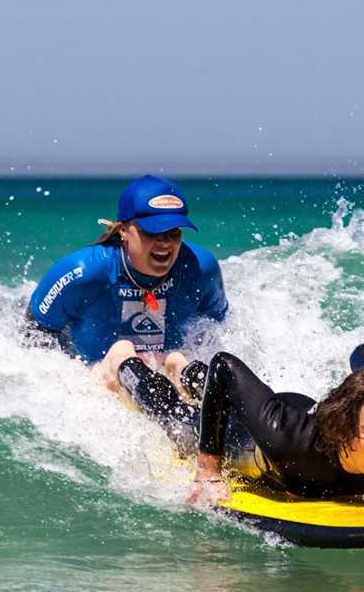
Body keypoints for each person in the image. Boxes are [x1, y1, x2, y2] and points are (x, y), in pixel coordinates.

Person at [27, 174, 227, 447]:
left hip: (168, 370)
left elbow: (216, 326)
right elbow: (35, 331)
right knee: (123, 352)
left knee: (181, 360)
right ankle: (175, 427)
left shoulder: (201, 269)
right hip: (103, 377)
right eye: (152, 232)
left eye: (174, 233)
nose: (165, 243)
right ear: (123, 230)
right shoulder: (82, 273)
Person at [188, 343, 364, 505]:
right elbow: (223, 365)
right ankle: (179, 369)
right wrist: (209, 472)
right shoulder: (288, 443)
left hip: (306, 410)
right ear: (344, 429)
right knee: (181, 418)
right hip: (252, 436)